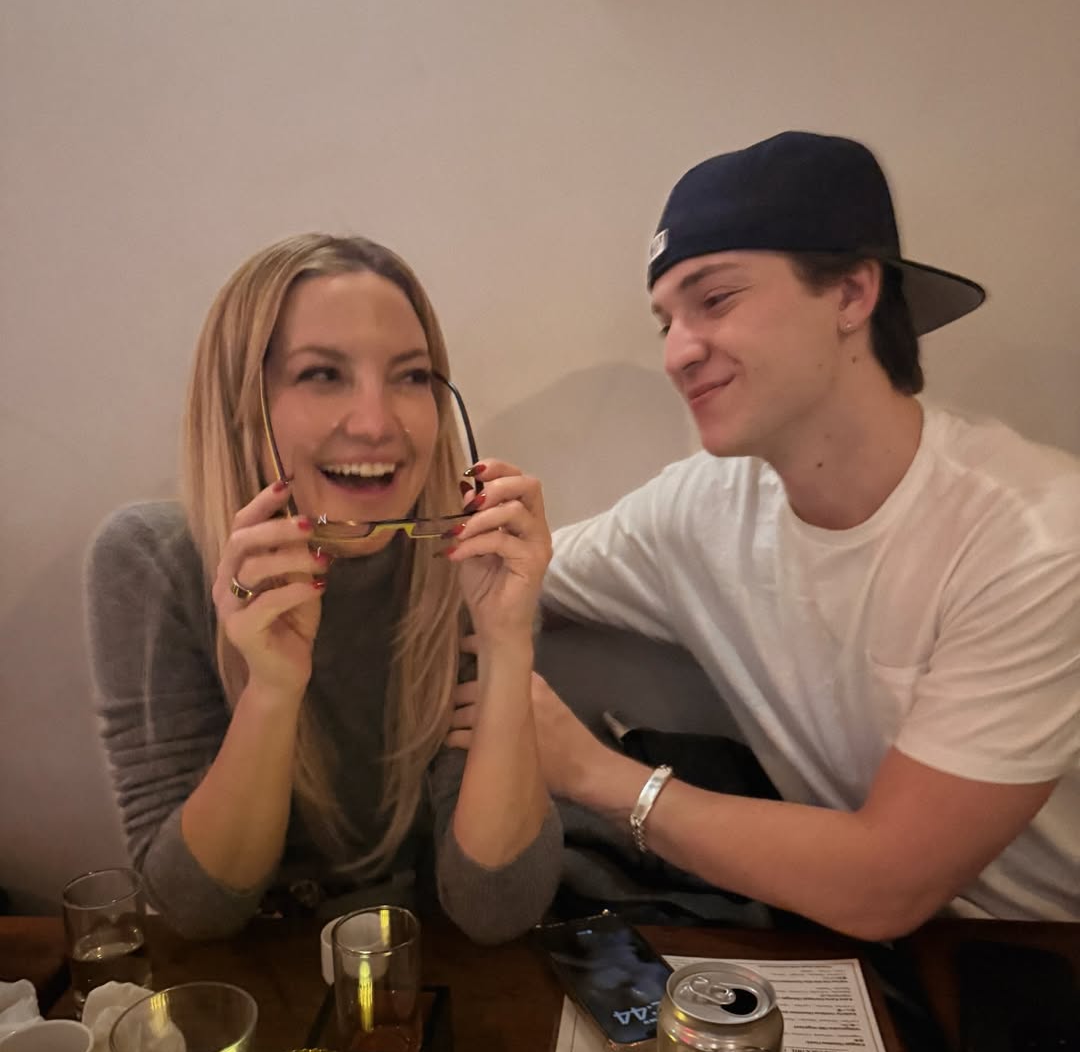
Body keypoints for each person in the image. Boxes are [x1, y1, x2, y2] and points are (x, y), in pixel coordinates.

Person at [525, 131, 1079, 937]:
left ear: (852, 294)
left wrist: (592, 774)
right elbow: (519, 576)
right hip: (850, 942)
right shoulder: (700, 509)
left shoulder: (1035, 537)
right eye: (666, 321)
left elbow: (889, 886)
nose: (678, 353)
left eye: (716, 300)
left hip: (1041, 949)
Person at [86, 233, 561, 941]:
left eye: (411, 377)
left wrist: (506, 641)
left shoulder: (472, 562)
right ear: (240, 404)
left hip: (425, 967)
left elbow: (498, 911)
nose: (376, 425)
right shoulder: (152, 562)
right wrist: (273, 688)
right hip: (251, 975)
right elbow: (194, 911)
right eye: (322, 375)